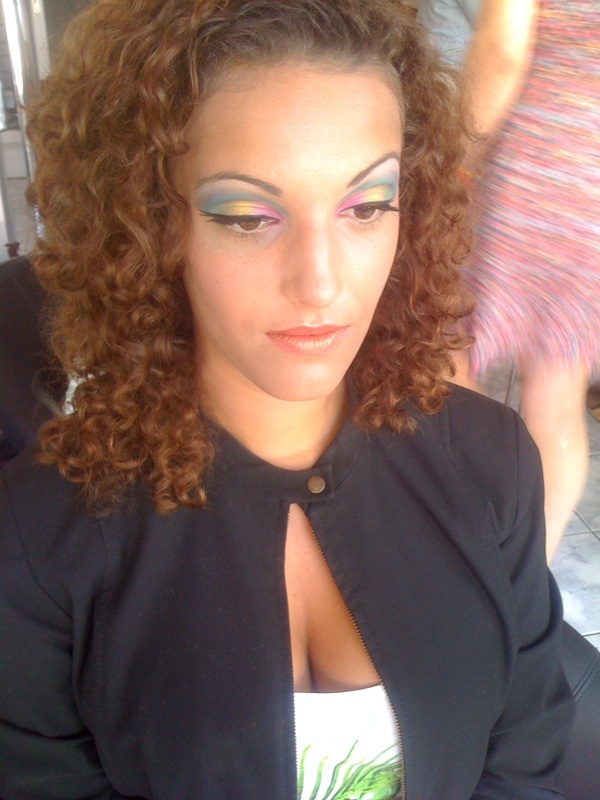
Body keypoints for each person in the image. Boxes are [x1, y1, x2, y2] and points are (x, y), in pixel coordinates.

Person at [0, 1, 573, 798]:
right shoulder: (38, 535)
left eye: (366, 207)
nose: (321, 283)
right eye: (247, 218)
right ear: (147, 224)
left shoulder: (490, 461)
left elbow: (527, 755)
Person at [419, 0, 600, 561]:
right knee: (557, 393)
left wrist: (452, 163)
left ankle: (455, 546)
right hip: (592, 182)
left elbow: (503, 44)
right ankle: (526, 574)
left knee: (442, 346)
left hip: (533, 171)